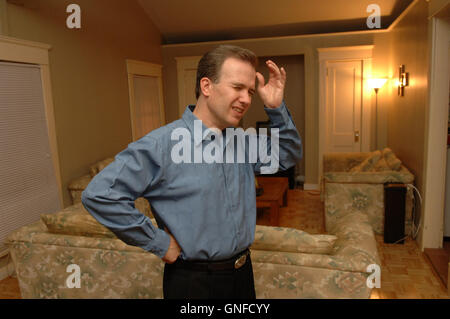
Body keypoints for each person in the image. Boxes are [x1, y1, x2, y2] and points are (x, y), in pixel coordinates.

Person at [81, 45, 302, 299]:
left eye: (250, 91)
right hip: (195, 283)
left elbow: (287, 155)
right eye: (238, 87)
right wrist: (159, 242)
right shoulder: (161, 145)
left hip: (243, 275)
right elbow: (100, 195)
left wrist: (276, 108)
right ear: (207, 87)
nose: (247, 99)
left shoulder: (241, 142)